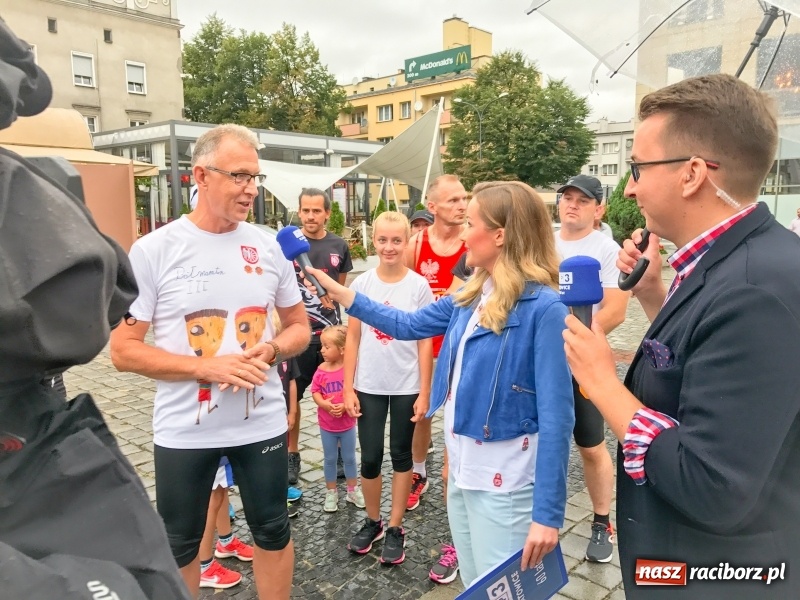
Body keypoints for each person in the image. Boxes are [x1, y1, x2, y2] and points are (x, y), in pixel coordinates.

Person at [564, 74, 800, 599]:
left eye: (638, 168)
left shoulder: (756, 289)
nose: (629, 188)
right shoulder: (735, 263)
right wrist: (655, 294)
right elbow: (704, 366)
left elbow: (711, 484)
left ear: (692, 173)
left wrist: (603, 384)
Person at [305, 181, 575, 587]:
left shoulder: (545, 309)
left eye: (471, 224)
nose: (463, 234)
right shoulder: (472, 294)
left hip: (506, 482)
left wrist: (548, 515)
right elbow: (407, 324)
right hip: (463, 474)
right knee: (475, 583)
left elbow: (557, 417)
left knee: (505, 590)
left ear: (500, 235)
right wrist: (344, 293)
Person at [110, 123, 311, 600]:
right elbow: (123, 350)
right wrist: (205, 368)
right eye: (239, 175)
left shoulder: (267, 246)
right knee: (179, 544)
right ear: (200, 175)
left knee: (273, 531)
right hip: (185, 430)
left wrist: (273, 349)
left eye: (255, 177)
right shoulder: (154, 250)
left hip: (260, 424)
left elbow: (299, 326)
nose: (251, 189)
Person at [343, 211, 434, 565]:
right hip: (369, 383)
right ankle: (373, 521)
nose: (389, 247)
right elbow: (353, 337)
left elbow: (425, 342)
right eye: (382, 240)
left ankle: (396, 525)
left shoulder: (418, 286)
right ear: (373, 241)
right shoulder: (363, 284)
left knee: (401, 454)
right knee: (369, 456)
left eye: (397, 240)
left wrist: (424, 391)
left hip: (406, 383)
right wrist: (348, 387)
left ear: (407, 241)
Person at [555, 174, 629, 564]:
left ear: (599, 209)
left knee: (591, 446)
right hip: (543, 363)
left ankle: (602, 522)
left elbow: (616, 309)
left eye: (582, 200)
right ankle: (538, 521)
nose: (572, 204)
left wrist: (578, 339)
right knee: (537, 444)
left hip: (583, 364)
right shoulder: (543, 241)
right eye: (567, 197)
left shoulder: (606, 249)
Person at [289, 188, 353, 485]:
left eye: (317, 210)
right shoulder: (288, 247)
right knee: (292, 399)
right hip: (298, 337)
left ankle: (340, 452)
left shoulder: (338, 245)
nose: (311, 216)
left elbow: (340, 290)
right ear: (299, 211)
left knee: (338, 393)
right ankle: (291, 455)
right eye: (306, 210)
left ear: (327, 213)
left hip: (332, 336)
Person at [311, 325, 365, 512]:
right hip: (327, 425)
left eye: (327, 347)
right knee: (330, 458)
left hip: (347, 423)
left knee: (349, 458)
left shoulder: (351, 369)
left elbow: (356, 391)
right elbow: (315, 391)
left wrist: (345, 405)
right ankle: (331, 491)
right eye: (322, 346)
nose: (322, 350)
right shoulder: (321, 370)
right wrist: (324, 404)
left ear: (342, 349)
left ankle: (352, 489)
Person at [198, 459, 253, 590]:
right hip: (208, 450)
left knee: (221, 488)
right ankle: (204, 567)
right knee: (213, 494)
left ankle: (226, 541)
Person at [271, 311, 303, 518]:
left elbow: (292, 382)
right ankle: (275, 496)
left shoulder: (287, 355)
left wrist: (292, 412)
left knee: (282, 453)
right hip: (268, 416)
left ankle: (282, 488)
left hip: (283, 415)